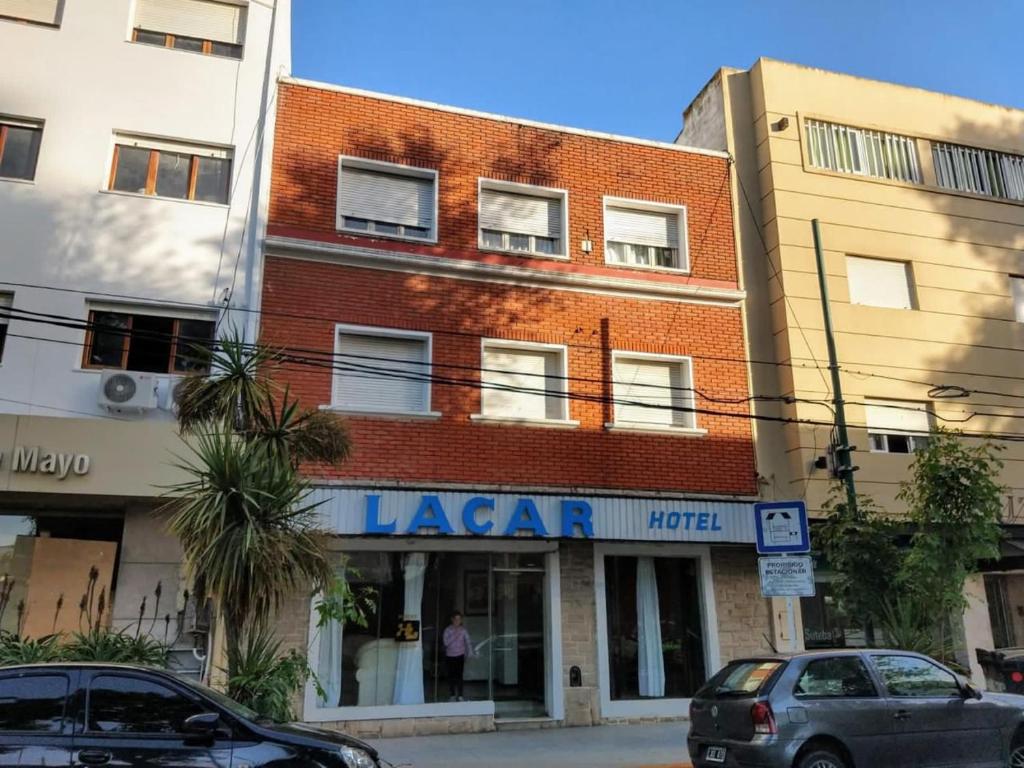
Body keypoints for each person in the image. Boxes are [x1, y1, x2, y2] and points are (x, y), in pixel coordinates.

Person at [442, 610, 474, 701]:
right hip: (450, 656)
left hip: (460, 655)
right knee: (451, 675)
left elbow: (468, 642)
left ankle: (460, 695)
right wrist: (454, 635)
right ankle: (452, 695)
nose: (457, 621)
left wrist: (470, 652)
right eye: (456, 619)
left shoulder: (463, 630)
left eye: (459, 619)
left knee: (459, 675)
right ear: (452, 620)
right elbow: (445, 643)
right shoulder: (448, 630)